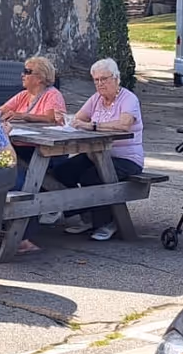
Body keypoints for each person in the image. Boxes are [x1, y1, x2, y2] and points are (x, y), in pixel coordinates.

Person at [51, 59, 145, 242]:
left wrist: (93, 126)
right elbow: (77, 119)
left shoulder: (128, 99)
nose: (100, 84)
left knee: (93, 177)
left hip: (126, 158)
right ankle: (86, 214)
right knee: (62, 171)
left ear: (116, 78)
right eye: (96, 80)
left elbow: (124, 125)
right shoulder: (96, 99)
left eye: (104, 79)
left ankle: (108, 222)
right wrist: (71, 121)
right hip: (95, 154)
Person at [0, 56, 66, 254]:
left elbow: (54, 118)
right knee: (11, 171)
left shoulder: (52, 95)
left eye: (28, 72)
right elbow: (1, 111)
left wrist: (25, 116)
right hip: (23, 149)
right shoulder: (22, 96)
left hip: (46, 151)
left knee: (23, 179)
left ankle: (24, 231)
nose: (23, 75)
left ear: (40, 77)